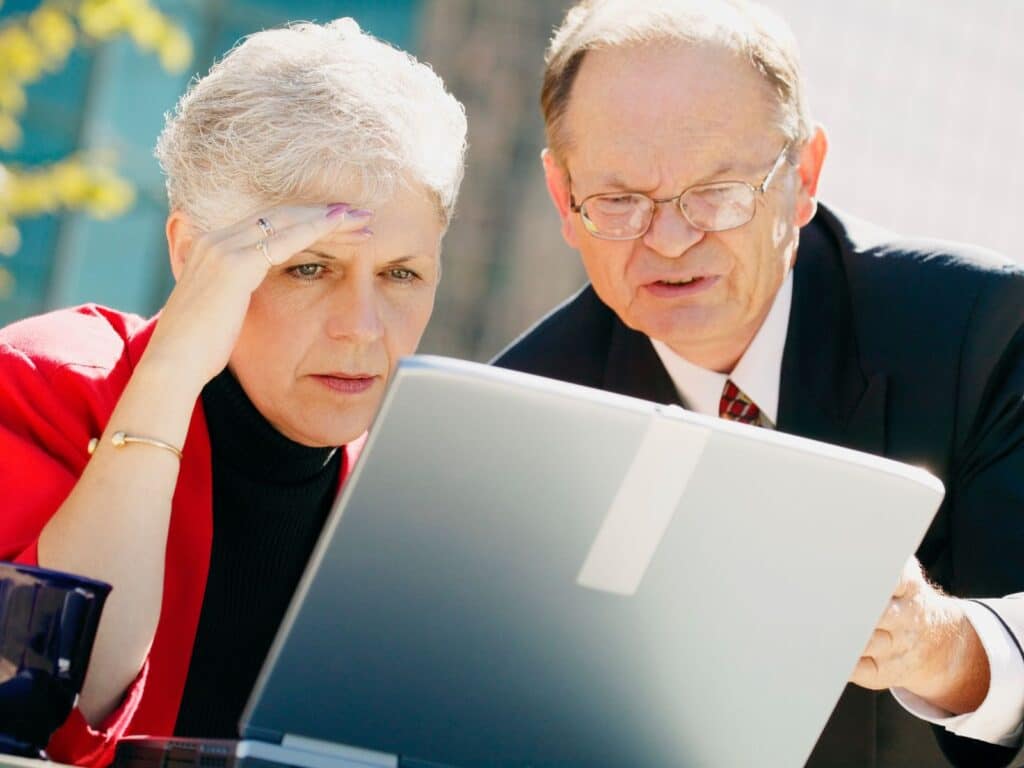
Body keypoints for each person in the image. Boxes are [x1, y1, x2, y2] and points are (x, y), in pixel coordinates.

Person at [492, 1, 1024, 766]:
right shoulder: (518, 419)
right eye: (619, 201)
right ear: (563, 201)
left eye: (716, 191)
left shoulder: (979, 333)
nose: (670, 240)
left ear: (802, 178)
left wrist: (938, 648)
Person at [0, 19, 466, 768]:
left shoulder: (413, 502)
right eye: (307, 267)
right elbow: (47, 715)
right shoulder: (50, 384)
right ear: (193, 253)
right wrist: (170, 378)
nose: (362, 328)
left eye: (401, 274)